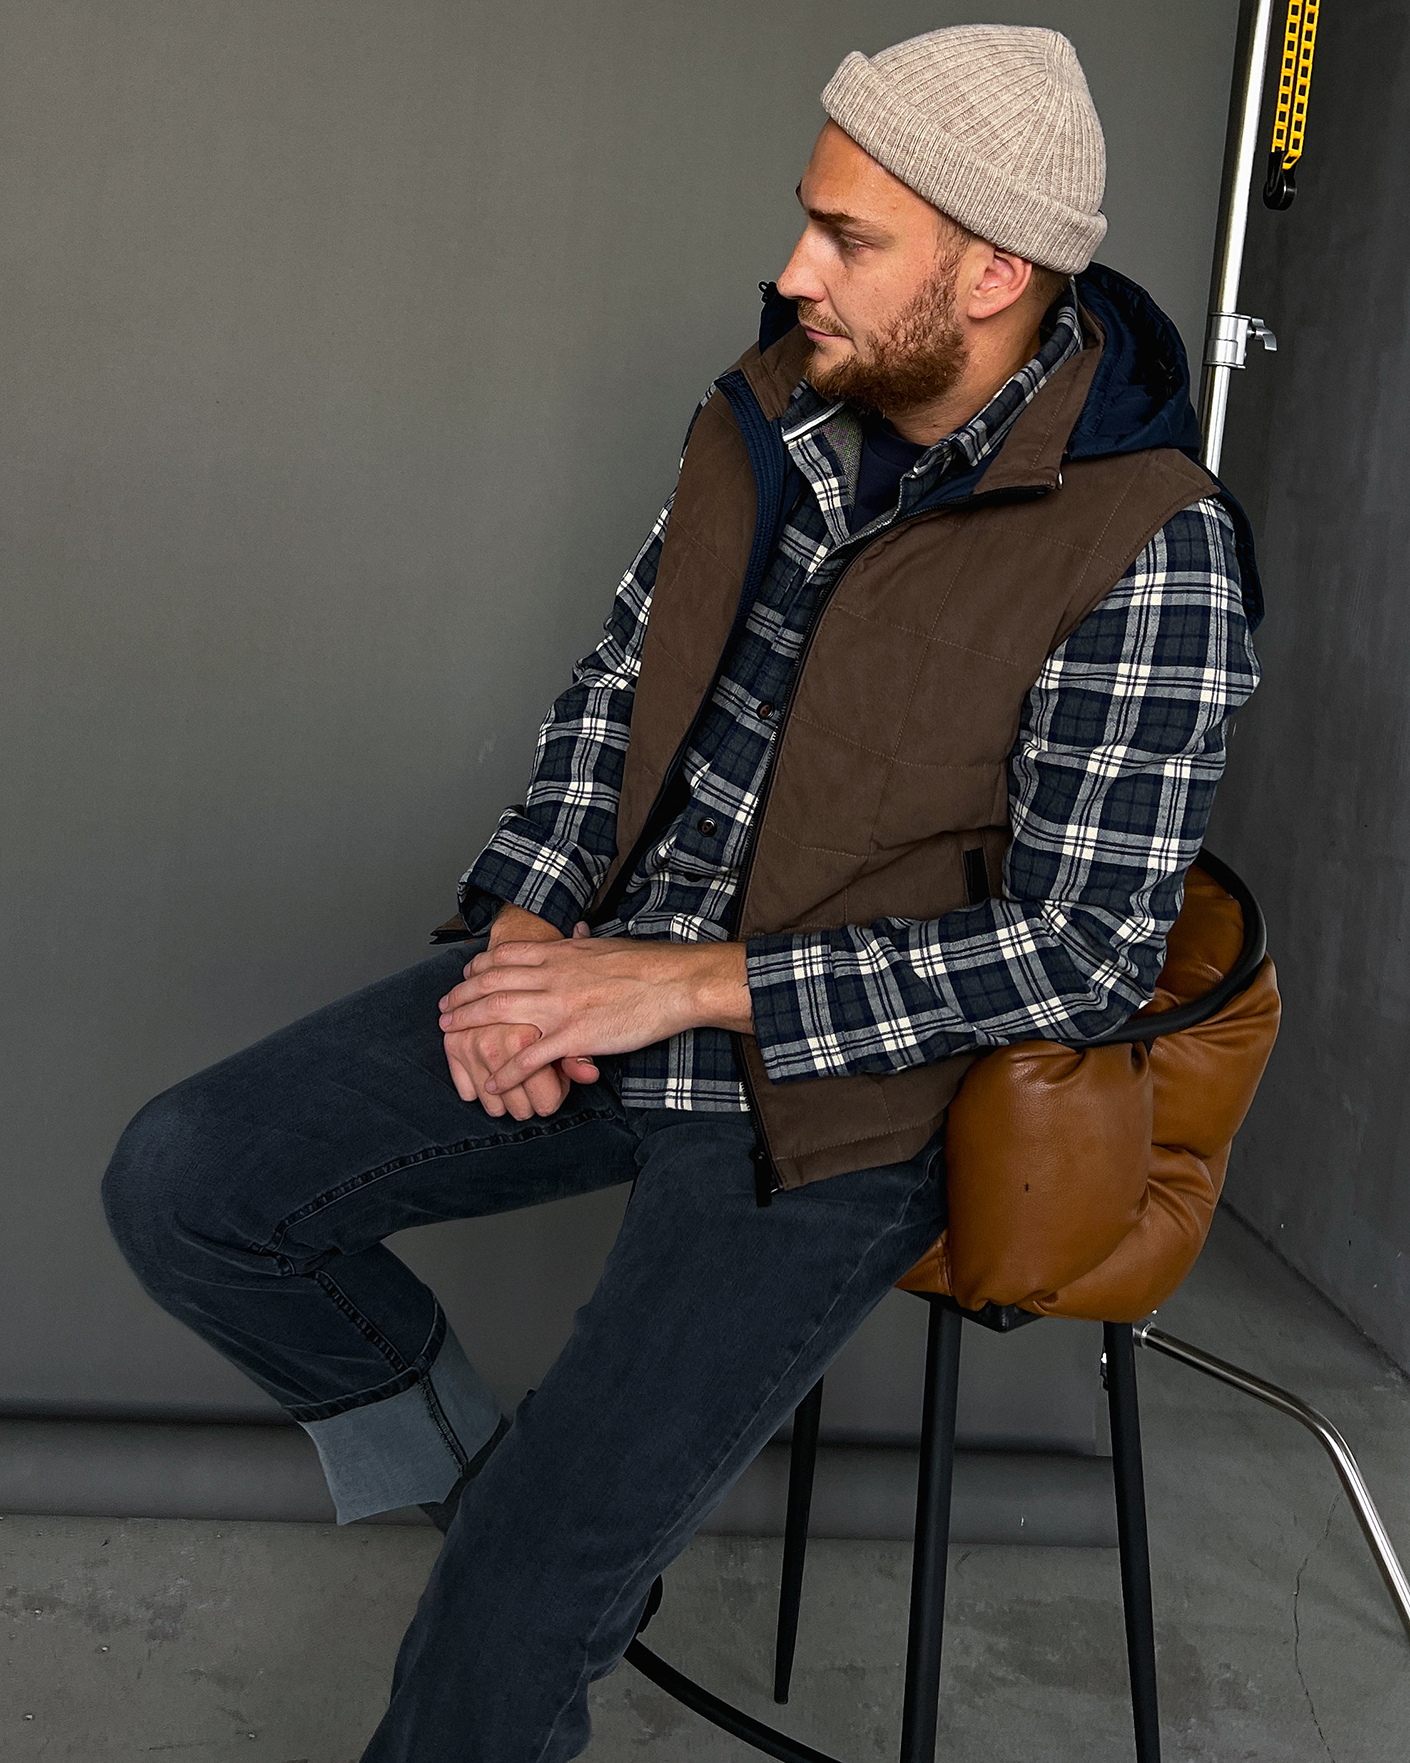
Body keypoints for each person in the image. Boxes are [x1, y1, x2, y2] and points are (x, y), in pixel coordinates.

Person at [102, 24, 1260, 1762]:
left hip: (838, 1097)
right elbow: (619, 694)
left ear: (993, 270)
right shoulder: (771, 410)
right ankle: (511, 1516)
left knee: (504, 1620)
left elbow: (1084, 952)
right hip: (607, 978)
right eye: (809, 217)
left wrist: (692, 984)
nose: (794, 269)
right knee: (188, 1181)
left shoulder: (1151, 544)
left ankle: (528, 1564)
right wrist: (526, 939)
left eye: (848, 238)